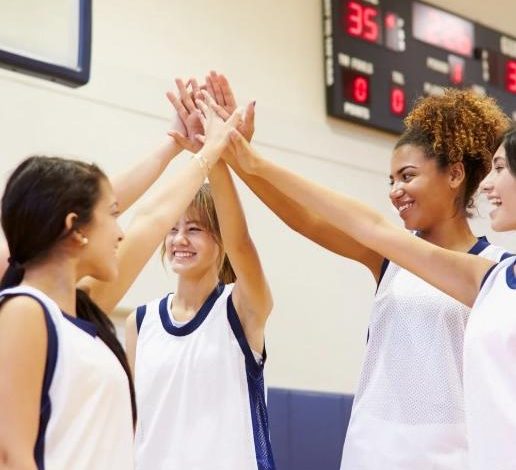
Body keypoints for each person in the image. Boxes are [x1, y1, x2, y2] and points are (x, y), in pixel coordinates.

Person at [206, 74, 510, 469]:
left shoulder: (496, 272)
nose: (394, 190)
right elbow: (307, 219)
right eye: (391, 180)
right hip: (371, 452)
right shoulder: (387, 258)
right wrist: (237, 156)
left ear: (454, 175)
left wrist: (250, 160)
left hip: (455, 457)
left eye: (408, 176)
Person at [0, 84, 240, 470]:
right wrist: (210, 148)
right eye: (112, 216)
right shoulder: (25, 310)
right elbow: (12, 458)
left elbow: (152, 218)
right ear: (75, 229)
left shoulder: (81, 314)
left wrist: (185, 145)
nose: (121, 230)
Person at [125, 89, 276, 470]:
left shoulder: (241, 308)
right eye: (173, 228)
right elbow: (130, 423)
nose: (179, 239)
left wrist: (216, 153)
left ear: (218, 238)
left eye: (194, 229)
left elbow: (241, 244)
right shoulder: (139, 323)